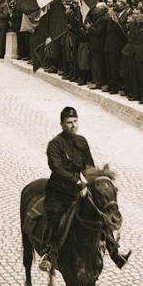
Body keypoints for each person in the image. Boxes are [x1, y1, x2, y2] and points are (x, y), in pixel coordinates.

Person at [38, 107, 95, 272]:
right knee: (55, 216)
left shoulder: (82, 142)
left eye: (75, 121)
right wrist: (77, 182)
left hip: (77, 191)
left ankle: (111, 248)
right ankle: (47, 252)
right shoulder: (55, 145)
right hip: (59, 191)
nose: (73, 126)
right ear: (62, 124)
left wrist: (93, 182)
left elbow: (88, 167)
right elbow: (57, 169)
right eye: (69, 123)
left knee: (97, 210)